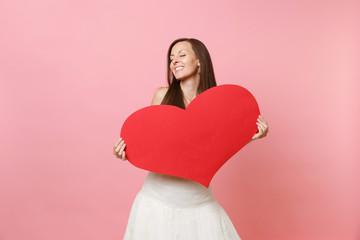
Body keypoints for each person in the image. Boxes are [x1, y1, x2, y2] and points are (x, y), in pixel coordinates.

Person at [113, 38, 269, 240]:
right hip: (157, 199)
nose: (174, 61)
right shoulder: (162, 96)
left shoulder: (218, 105)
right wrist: (127, 152)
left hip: (199, 201)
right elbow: (150, 143)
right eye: (171, 58)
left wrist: (252, 135)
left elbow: (218, 147)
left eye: (182, 54)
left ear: (199, 61)